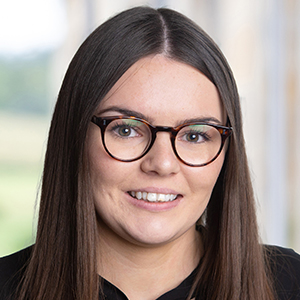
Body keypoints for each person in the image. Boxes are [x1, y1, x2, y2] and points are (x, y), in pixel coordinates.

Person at [0, 6, 300, 300]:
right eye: (126, 129)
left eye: (195, 135)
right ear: (75, 136)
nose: (163, 163)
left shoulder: (290, 285)